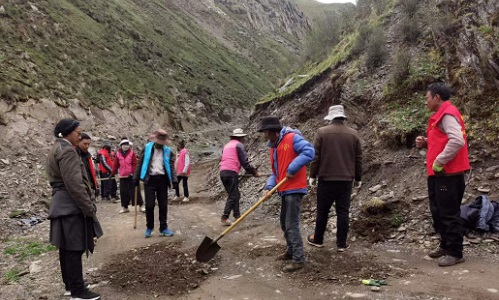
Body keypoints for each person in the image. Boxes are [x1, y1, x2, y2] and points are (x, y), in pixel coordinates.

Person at [47, 118, 102, 300]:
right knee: (74, 248)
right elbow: (75, 184)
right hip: (70, 205)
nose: (80, 135)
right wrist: (88, 208)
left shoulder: (57, 147)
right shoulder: (68, 151)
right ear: (68, 133)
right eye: (78, 132)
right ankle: (78, 291)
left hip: (61, 203)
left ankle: (71, 285)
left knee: (66, 248)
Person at [415, 83, 470, 267]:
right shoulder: (442, 116)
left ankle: (455, 252)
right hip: (440, 174)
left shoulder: (447, 114)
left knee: (448, 213)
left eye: (427, 98)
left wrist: (439, 161)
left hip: (448, 173)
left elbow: (457, 140)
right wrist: (427, 141)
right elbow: (445, 139)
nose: (426, 102)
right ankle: (446, 245)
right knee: (438, 211)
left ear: (437, 97)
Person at [259, 116, 314, 272]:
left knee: (291, 224)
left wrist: (292, 168)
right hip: (284, 189)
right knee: (284, 222)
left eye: (265, 132)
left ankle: (298, 259)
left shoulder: (292, 138)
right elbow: (276, 172)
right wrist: (269, 187)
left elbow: (309, 151)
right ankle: (291, 251)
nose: (264, 136)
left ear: (273, 132)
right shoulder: (274, 147)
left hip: (295, 188)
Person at [307, 105, 362, 252]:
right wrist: (358, 177)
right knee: (343, 212)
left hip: (326, 178)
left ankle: (318, 239)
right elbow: (358, 158)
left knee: (322, 211)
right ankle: (341, 244)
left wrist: (312, 175)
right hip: (346, 180)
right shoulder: (353, 134)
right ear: (343, 117)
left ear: (330, 118)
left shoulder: (322, 132)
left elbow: (316, 157)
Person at [133, 129, 178, 238]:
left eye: (162, 143)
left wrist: (174, 180)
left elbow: (171, 166)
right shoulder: (147, 148)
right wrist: (136, 177)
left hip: (162, 180)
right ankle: (149, 227)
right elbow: (140, 163)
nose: (160, 145)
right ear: (155, 140)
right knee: (149, 205)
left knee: (163, 205)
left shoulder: (168, 151)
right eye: (159, 143)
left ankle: (163, 228)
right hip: (150, 180)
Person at [219, 128, 259, 226]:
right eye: (243, 138)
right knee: (233, 195)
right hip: (231, 172)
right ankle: (225, 216)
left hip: (223, 172)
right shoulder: (239, 145)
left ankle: (237, 215)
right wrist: (254, 172)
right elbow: (245, 162)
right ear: (240, 138)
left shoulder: (226, 146)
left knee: (234, 194)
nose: (244, 139)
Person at [112, 138, 144, 214]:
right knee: (123, 192)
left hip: (131, 176)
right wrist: (112, 173)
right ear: (121, 146)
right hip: (123, 176)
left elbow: (134, 164)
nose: (125, 146)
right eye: (124, 145)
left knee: (135, 191)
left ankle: (141, 206)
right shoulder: (118, 154)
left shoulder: (132, 153)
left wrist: (133, 172)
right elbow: (116, 164)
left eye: (127, 144)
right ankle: (125, 207)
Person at [76, 133, 100, 200]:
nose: (87, 146)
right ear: (78, 142)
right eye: (84, 144)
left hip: (88, 186)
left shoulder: (87, 155)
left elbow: (91, 171)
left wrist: (95, 185)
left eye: (88, 144)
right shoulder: (74, 155)